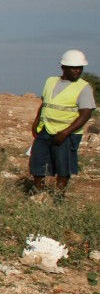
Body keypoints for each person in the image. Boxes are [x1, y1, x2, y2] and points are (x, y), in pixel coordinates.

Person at [29, 49, 96, 193]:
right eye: (74, 67)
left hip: (67, 134)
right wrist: (36, 122)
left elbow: (86, 114)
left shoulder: (84, 87)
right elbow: (45, 104)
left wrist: (65, 133)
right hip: (45, 129)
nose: (77, 71)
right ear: (63, 67)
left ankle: (59, 197)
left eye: (80, 68)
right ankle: (39, 195)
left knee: (63, 167)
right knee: (37, 163)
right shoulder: (50, 81)